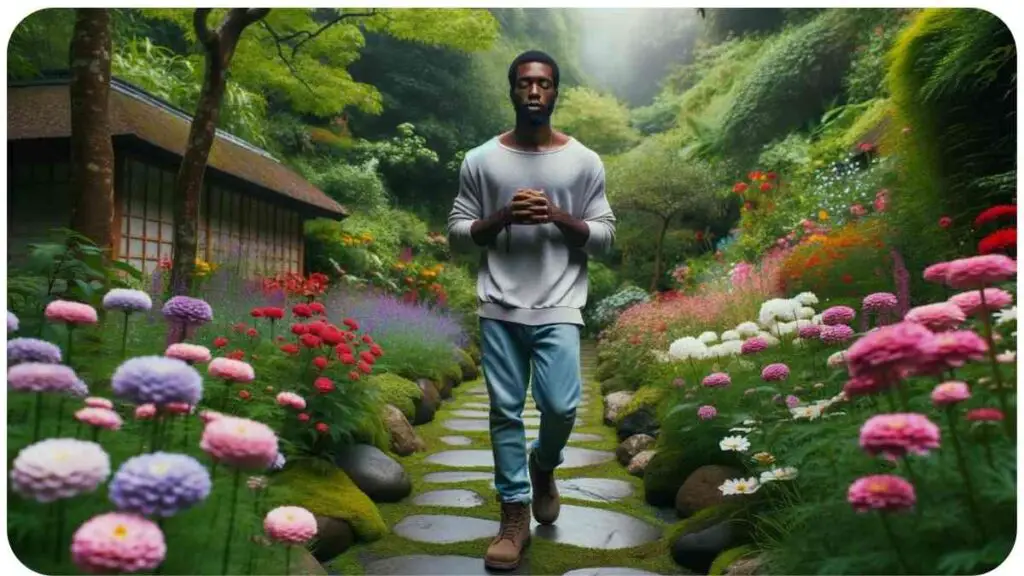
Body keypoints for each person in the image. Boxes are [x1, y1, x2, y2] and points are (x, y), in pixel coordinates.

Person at [446, 50, 616, 571]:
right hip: (499, 303)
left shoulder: (584, 161)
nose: (535, 91)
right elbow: (456, 237)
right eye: (525, 84)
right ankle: (513, 515)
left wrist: (560, 217)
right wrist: (501, 217)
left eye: (544, 83)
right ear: (513, 91)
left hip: (561, 302)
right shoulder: (480, 160)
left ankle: (544, 465)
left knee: (562, 408)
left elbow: (606, 238)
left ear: (556, 91)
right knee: (504, 412)